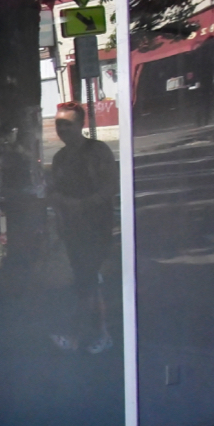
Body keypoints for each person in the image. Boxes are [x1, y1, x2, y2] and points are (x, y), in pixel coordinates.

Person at [47, 101, 119, 354]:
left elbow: (112, 186)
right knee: (88, 281)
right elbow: (53, 191)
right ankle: (102, 333)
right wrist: (61, 204)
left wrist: (84, 204)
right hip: (71, 229)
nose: (62, 129)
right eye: (58, 124)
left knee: (87, 281)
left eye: (67, 124)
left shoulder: (97, 151)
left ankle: (75, 335)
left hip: (96, 227)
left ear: (81, 125)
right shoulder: (60, 158)